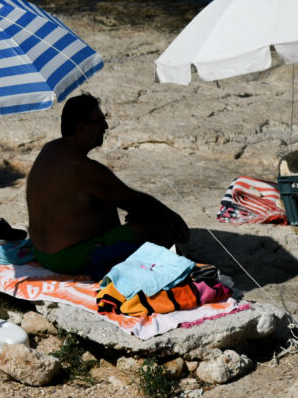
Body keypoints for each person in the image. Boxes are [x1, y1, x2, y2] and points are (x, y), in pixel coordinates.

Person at [26, 93, 189, 275]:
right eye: (99, 121)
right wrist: (175, 219)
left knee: (108, 203)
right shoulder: (82, 169)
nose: (105, 126)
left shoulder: (50, 149)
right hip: (67, 259)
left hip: (41, 252)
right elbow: (134, 201)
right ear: (81, 127)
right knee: (161, 230)